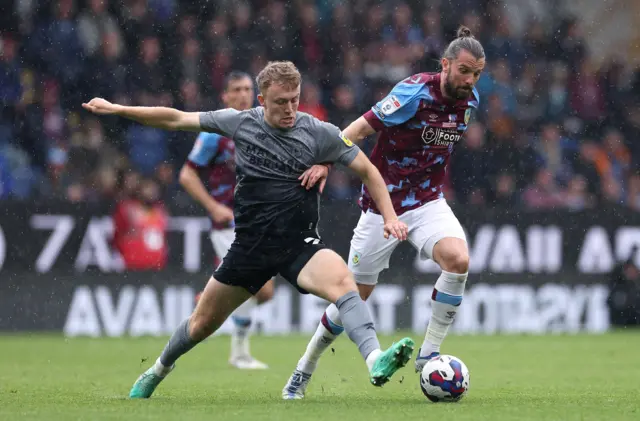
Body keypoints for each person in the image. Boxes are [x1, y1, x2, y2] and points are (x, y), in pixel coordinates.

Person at [82, 60, 414, 399]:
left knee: (346, 285)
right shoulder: (240, 123)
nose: (289, 109)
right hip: (249, 248)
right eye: (280, 102)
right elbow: (175, 118)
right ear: (261, 101)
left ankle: (375, 359)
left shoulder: (319, 132)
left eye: (295, 100)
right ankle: (157, 370)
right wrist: (119, 109)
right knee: (200, 325)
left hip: (298, 244)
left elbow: (369, 171)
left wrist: (389, 217)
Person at [283, 26, 485, 399]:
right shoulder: (413, 92)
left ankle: (428, 356)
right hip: (381, 205)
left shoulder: (470, 103)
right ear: (445, 64)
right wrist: (327, 164)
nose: (470, 80)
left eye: (476, 74)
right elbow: (357, 130)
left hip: (427, 202)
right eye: (464, 71)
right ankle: (302, 370)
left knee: (458, 260)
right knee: (352, 297)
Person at [180, 71, 328, 369]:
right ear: (225, 96)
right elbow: (186, 174)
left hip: (261, 220)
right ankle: (238, 352)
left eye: (248, 88)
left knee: (260, 290)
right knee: (254, 286)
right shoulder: (216, 132)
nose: (243, 94)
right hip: (229, 222)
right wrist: (213, 207)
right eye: (236, 89)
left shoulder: (264, 127)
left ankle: (208, 302)